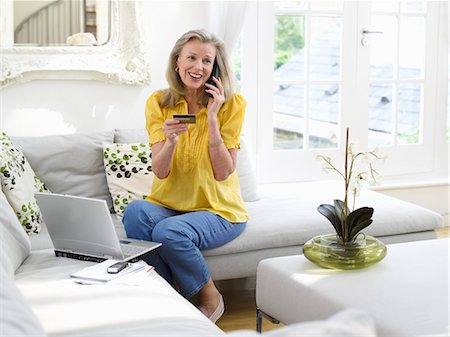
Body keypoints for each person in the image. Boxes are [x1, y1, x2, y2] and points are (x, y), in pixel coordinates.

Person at [122, 29, 248, 323]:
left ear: (215, 69)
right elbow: (161, 170)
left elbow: (223, 171)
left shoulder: (233, 104)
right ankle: (167, 296)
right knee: (136, 212)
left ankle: (210, 297)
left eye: (207, 61)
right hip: (171, 204)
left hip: (219, 211)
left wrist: (213, 120)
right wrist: (169, 142)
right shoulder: (159, 103)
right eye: (192, 57)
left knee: (170, 231)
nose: (199, 67)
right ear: (177, 61)